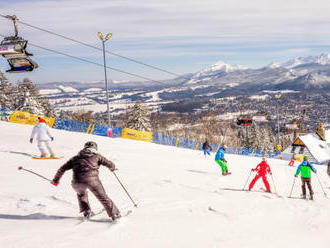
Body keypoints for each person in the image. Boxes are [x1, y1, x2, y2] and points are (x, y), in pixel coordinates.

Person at [51, 141, 121, 221]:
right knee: (103, 197)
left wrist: (55, 180)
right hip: (93, 181)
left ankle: (87, 212)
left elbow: (62, 169)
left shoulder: (75, 158)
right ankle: (115, 215)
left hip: (77, 182)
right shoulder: (97, 156)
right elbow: (109, 164)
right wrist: (112, 168)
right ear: (95, 148)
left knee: (81, 195)